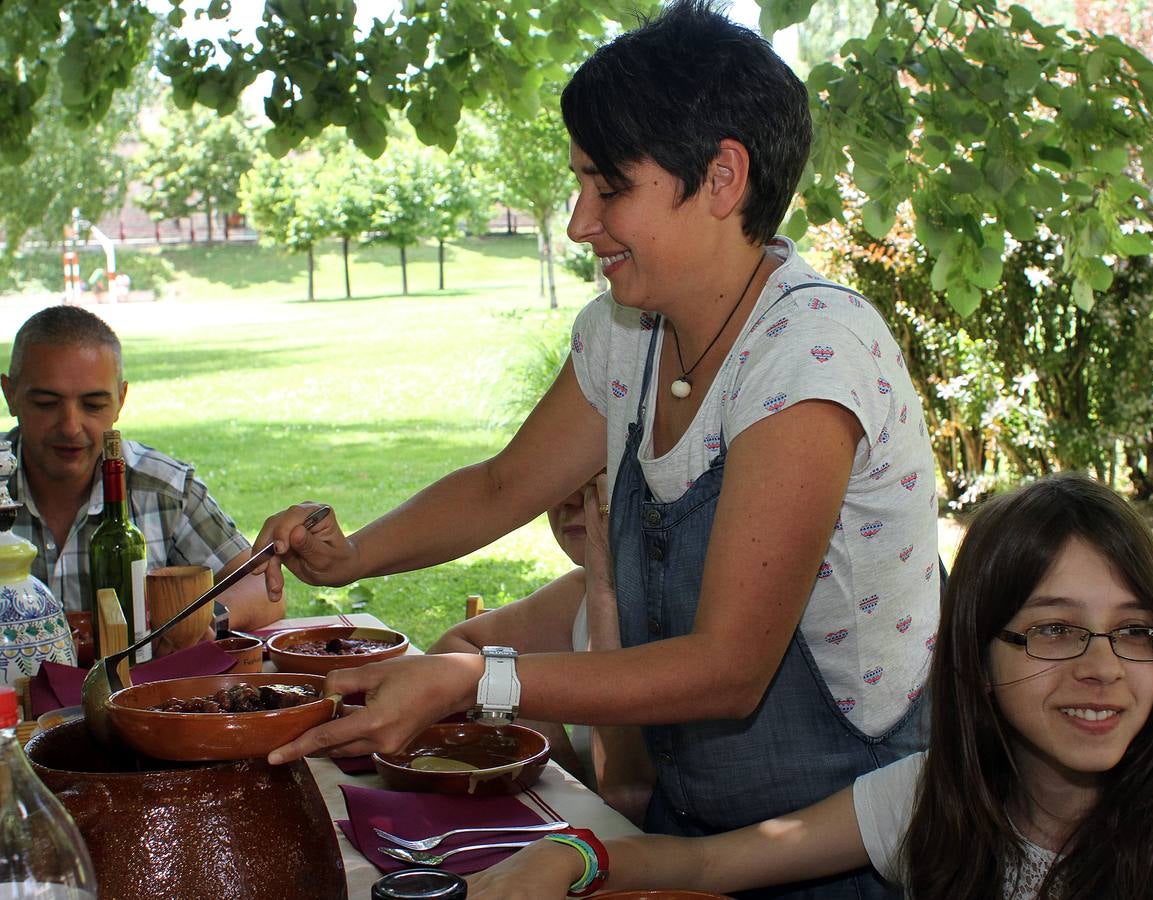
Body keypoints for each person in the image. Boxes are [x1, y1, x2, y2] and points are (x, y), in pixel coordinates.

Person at [257, 4, 938, 897]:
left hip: (841, 851)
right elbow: (503, 484)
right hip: (682, 838)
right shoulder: (628, 333)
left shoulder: (812, 354)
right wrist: (349, 560)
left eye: (608, 186)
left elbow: (729, 670)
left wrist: (472, 679)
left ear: (723, 177)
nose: (582, 223)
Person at [466, 473, 1153, 899]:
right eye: (1055, 630)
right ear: (975, 656)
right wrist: (568, 856)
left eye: (1136, 631)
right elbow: (705, 861)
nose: (1103, 667)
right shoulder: (929, 800)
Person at [1, 305, 282, 645]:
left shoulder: (164, 488)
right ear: (10, 394)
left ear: (120, 401)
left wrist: (202, 619)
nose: (71, 427)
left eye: (93, 405)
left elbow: (262, 586)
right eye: (47, 402)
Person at [428, 475, 654, 823]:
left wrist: (604, 591)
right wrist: (541, 734)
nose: (568, 499)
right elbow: (453, 650)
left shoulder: (684, 609)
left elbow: (626, 798)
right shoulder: (577, 594)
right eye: (563, 476)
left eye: (597, 480)